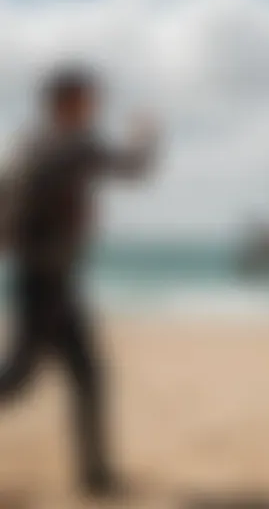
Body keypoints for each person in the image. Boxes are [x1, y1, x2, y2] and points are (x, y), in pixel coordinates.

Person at [0, 65, 158, 497]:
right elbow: (133, 168)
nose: (94, 107)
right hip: (47, 281)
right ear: (66, 102)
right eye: (88, 99)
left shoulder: (29, 144)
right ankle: (96, 477)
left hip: (46, 279)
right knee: (18, 377)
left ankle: (96, 478)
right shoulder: (73, 145)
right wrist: (147, 135)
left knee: (85, 375)